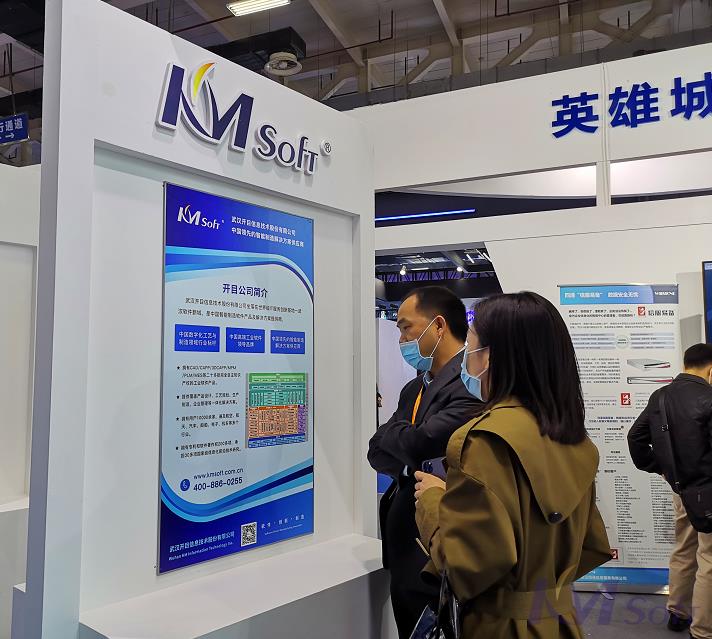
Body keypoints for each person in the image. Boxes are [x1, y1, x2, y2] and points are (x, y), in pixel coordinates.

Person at [414, 292, 611, 638]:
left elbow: (465, 568)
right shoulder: (574, 439)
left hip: (498, 626)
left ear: (491, 357)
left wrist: (433, 502)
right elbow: (592, 545)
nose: (466, 357)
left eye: (471, 345)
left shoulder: (482, 440)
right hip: (561, 622)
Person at [368, 286, 482, 638]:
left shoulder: (471, 384)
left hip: (440, 545)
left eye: (406, 328)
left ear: (438, 326)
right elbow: (376, 449)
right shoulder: (414, 388)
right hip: (405, 543)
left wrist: (404, 443)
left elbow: (423, 443)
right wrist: (411, 455)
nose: (401, 339)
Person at [628, 343, 712, 639]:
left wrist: (661, 468)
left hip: (681, 490)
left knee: (684, 549)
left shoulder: (660, 396)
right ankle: (703, 630)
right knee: (709, 559)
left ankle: (678, 613)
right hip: (708, 493)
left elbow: (635, 438)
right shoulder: (709, 398)